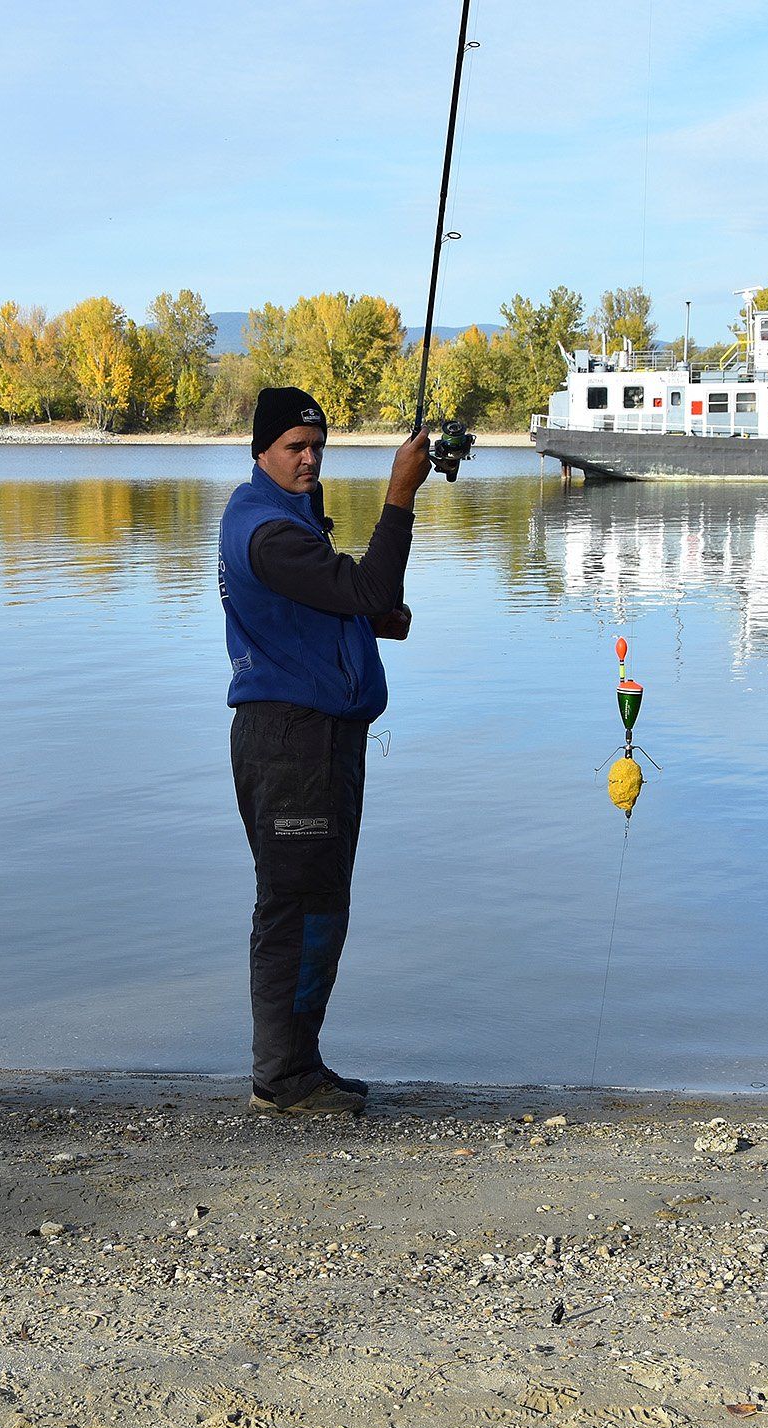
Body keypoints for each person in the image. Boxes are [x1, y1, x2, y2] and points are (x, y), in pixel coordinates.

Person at [219, 387, 455, 1116]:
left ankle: (297, 1065)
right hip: (294, 746)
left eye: (316, 446)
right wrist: (400, 492)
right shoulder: (268, 530)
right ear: (261, 450)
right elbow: (370, 580)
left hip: (308, 740)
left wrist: (364, 623)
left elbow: (326, 605)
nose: (309, 459)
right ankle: (280, 1081)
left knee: (317, 904)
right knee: (296, 908)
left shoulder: (283, 519)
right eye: (294, 447)